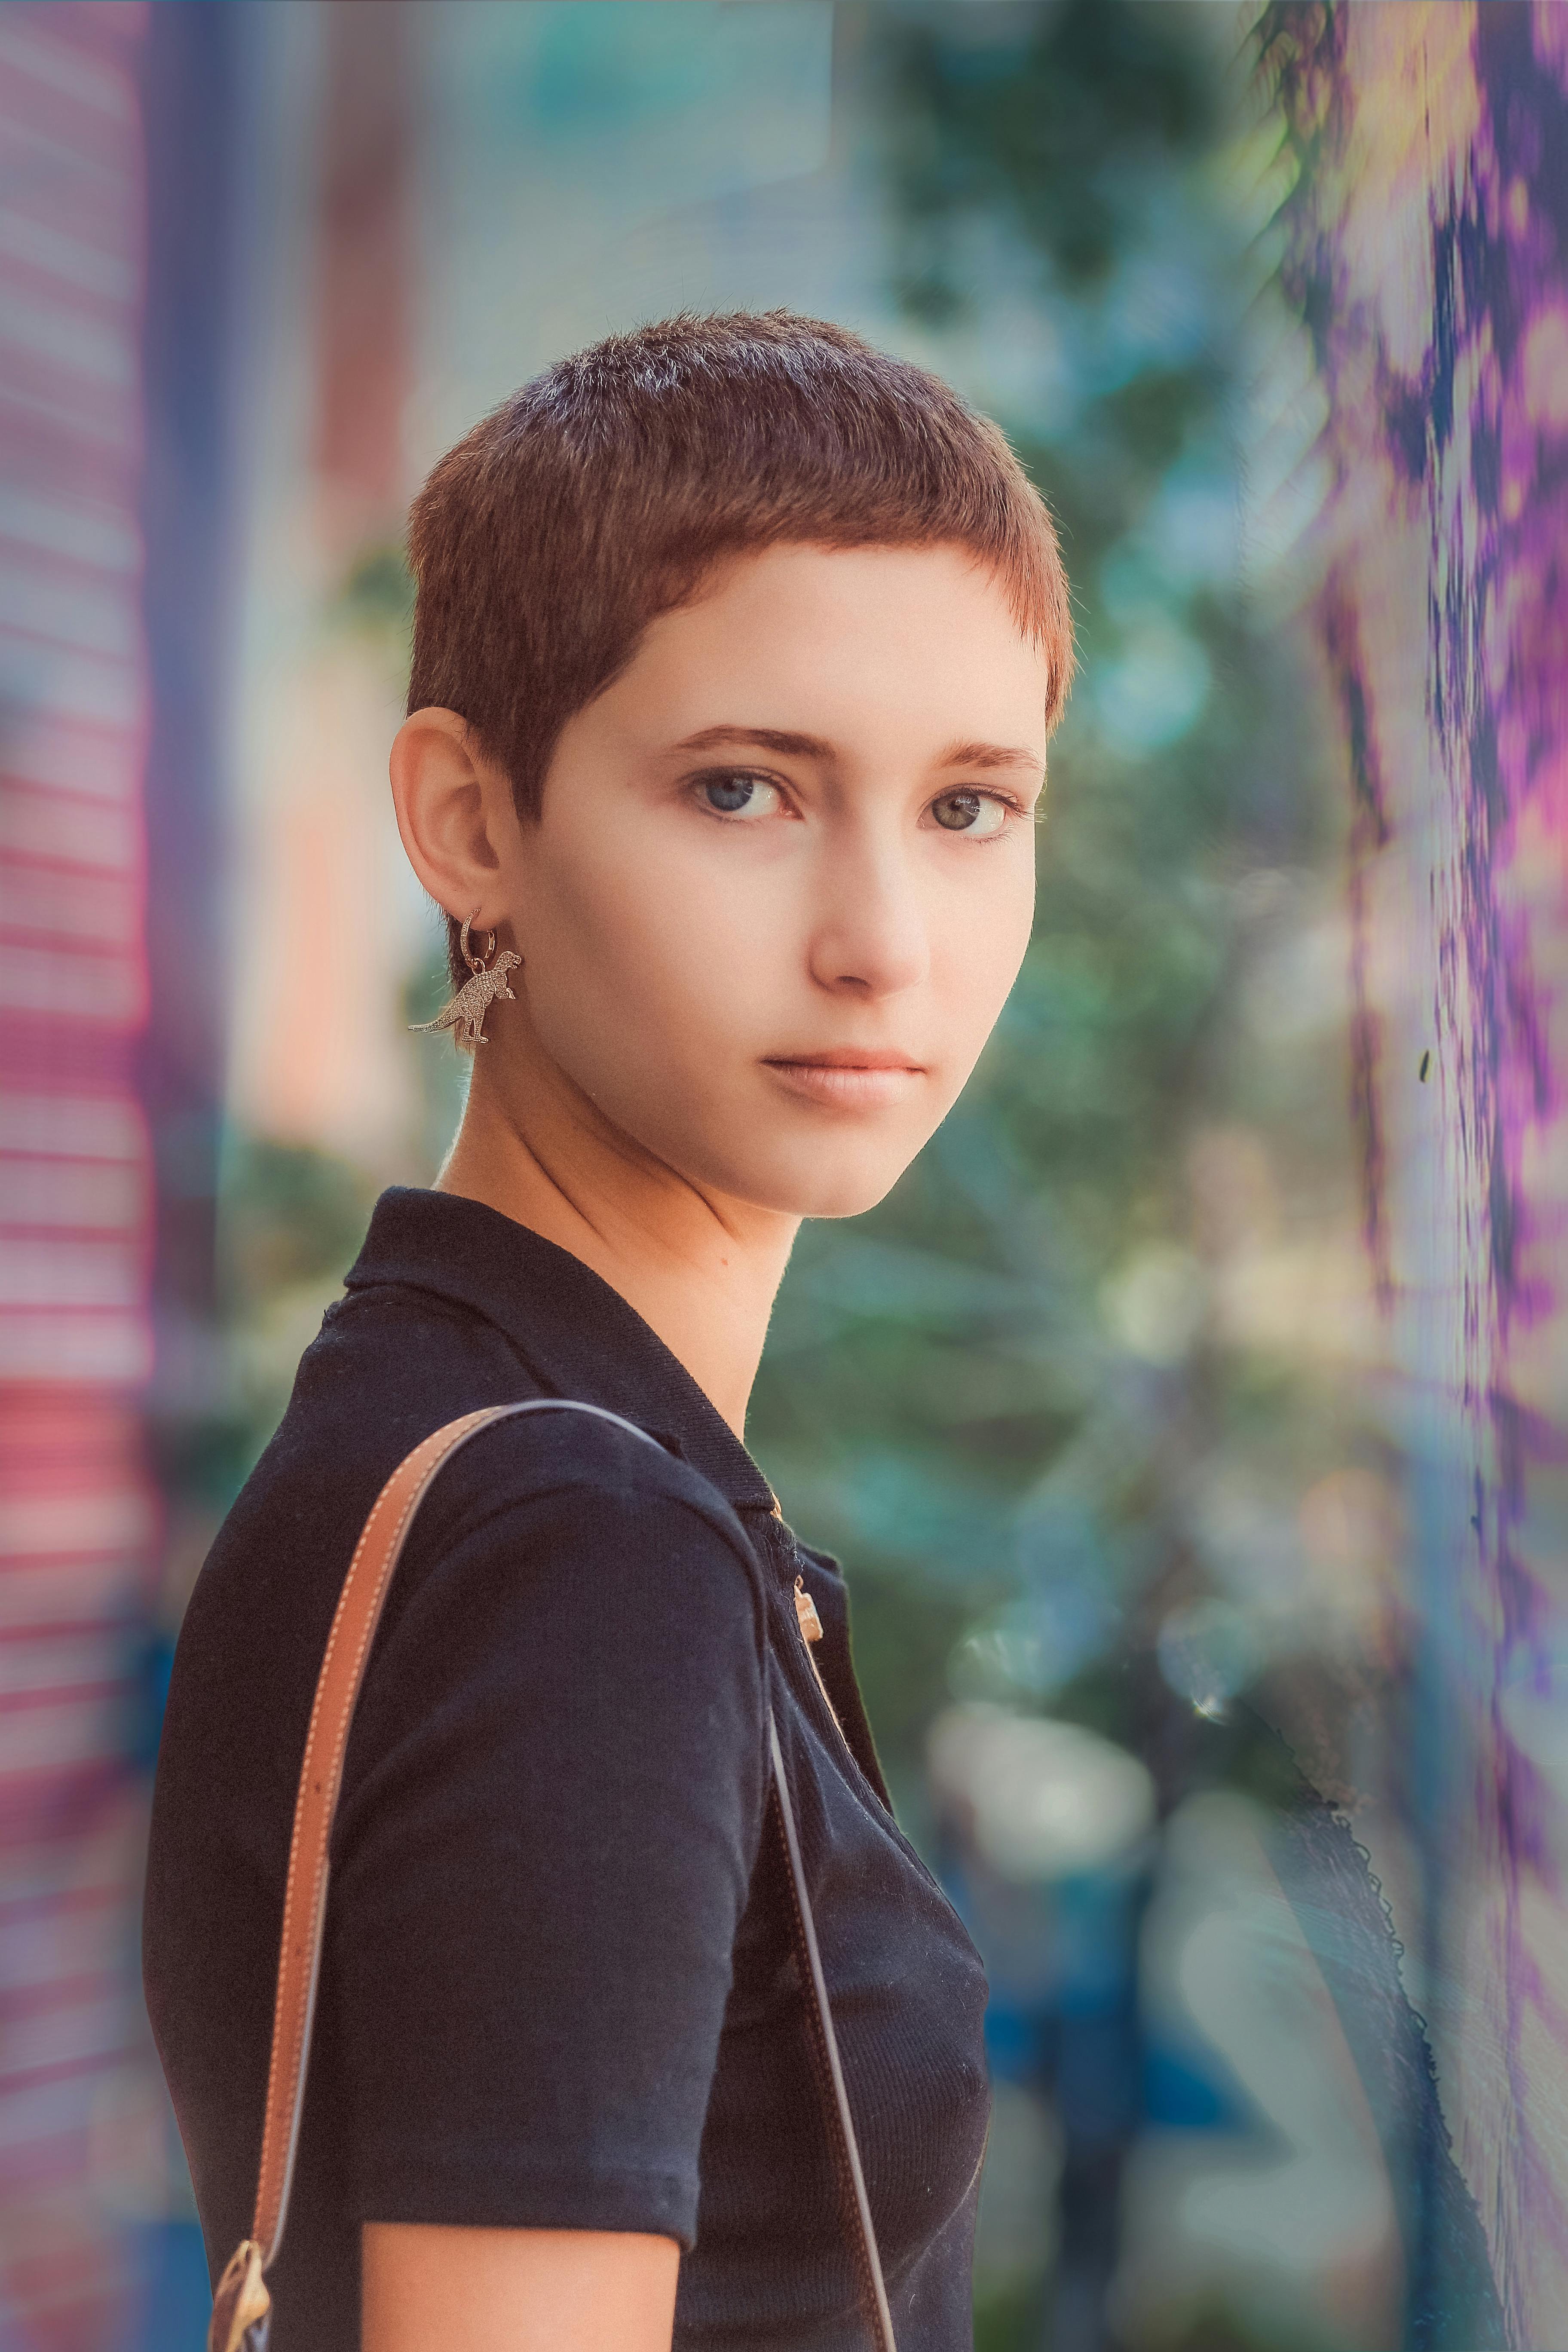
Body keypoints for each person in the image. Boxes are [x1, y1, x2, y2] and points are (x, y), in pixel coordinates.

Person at [143, 309, 1074, 2352]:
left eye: (969, 806)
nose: (880, 943)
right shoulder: (578, 1544)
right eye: (744, 789)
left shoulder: (428, 1418)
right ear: (473, 823)